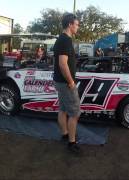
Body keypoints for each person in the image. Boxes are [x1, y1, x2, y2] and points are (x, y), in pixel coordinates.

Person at [53, 13, 81, 153]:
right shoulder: (65, 40)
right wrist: (71, 82)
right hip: (65, 83)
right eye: (76, 24)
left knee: (63, 109)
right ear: (70, 24)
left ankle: (65, 134)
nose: (78, 27)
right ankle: (72, 143)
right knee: (74, 114)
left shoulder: (62, 39)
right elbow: (63, 64)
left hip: (59, 81)